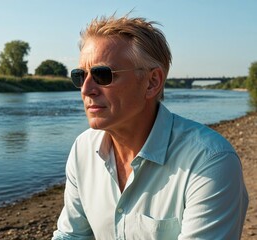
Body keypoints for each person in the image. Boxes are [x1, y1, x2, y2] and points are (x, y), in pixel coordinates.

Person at [52, 14, 248, 240]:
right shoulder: (83, 149)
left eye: (102, 75)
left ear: (152, 82)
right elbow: (71, 236)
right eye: (80, 76)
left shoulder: (209, 161)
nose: (86, 89)